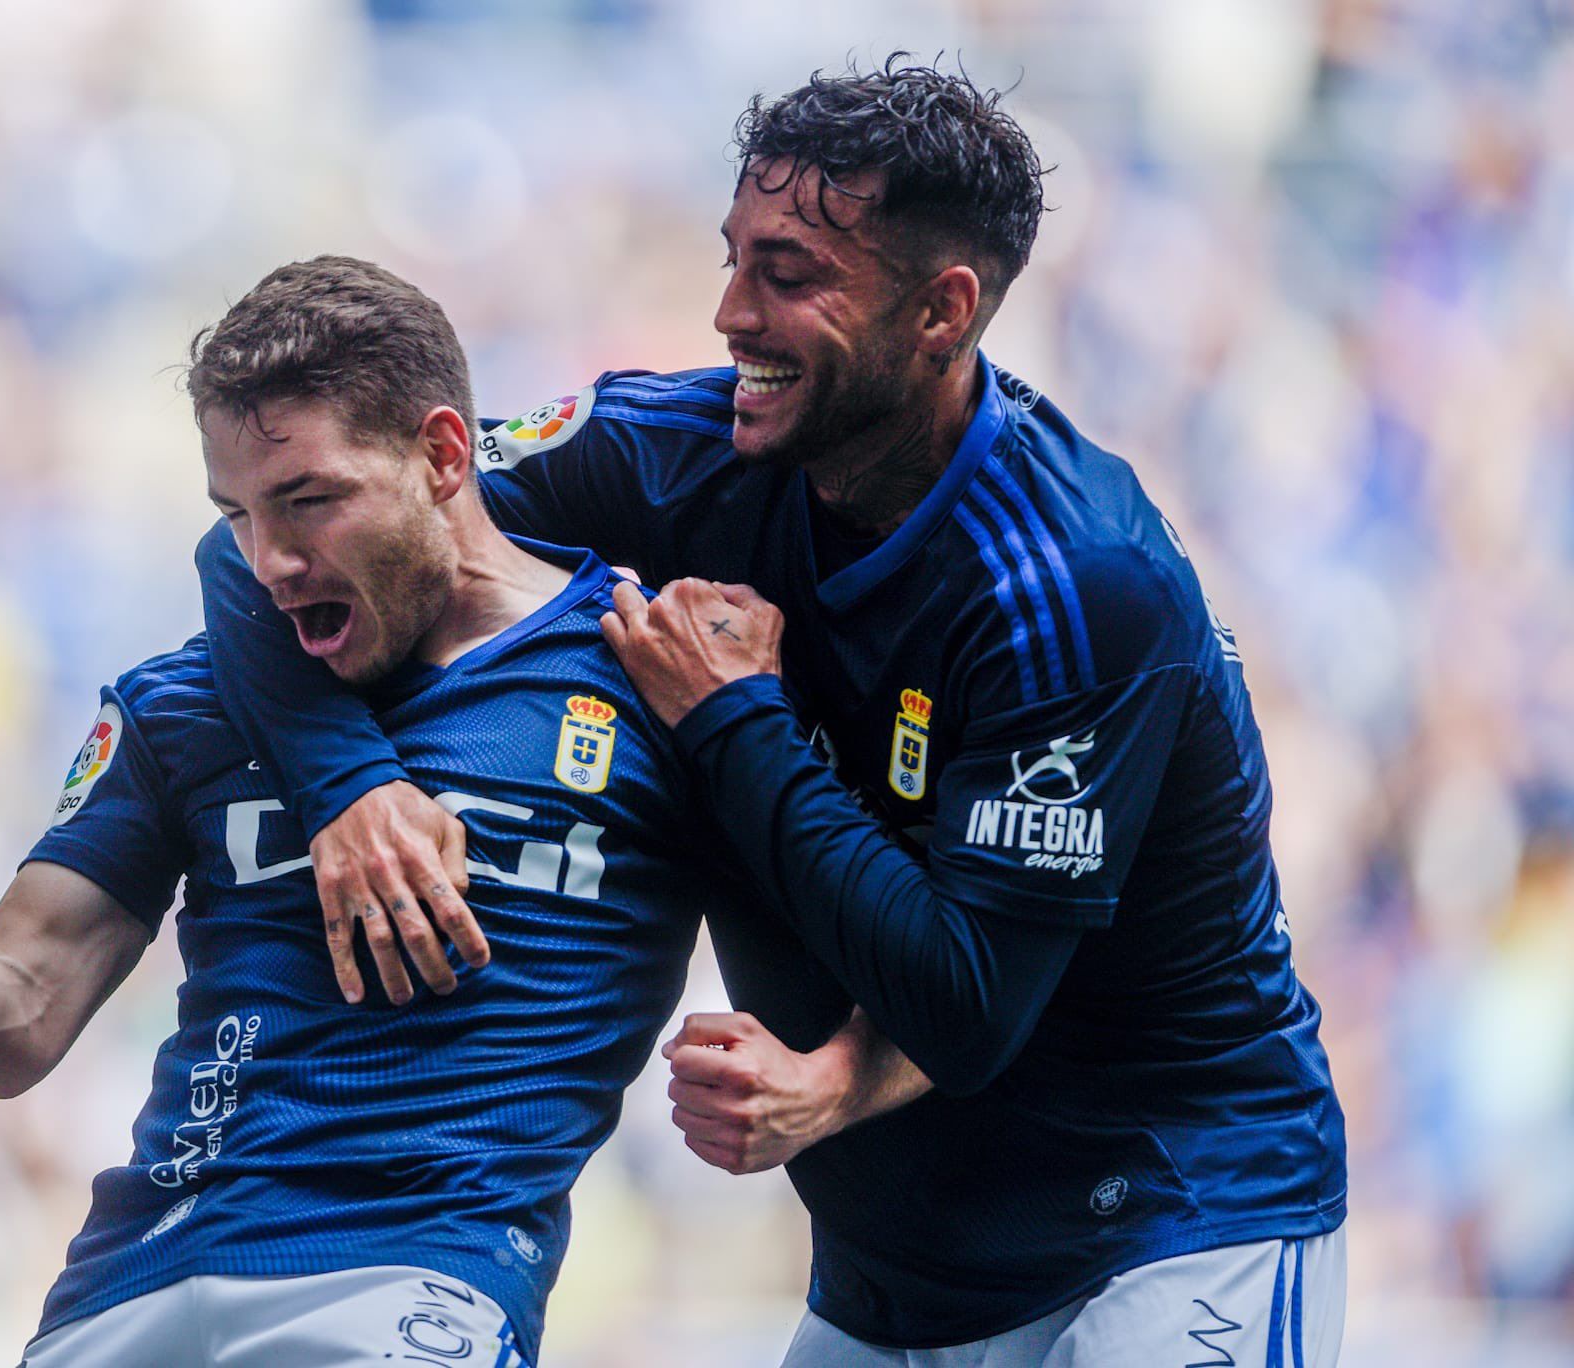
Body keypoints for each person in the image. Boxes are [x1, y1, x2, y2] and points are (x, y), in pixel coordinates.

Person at [198, 59, 1350, 1366]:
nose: (729, 309)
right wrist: (345, 777)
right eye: (733, 255)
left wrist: (734, 716)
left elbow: (966, 1006)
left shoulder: (1078, 584)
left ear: (941, 309)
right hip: (893, 1269)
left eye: (789, 274)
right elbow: (291, 522)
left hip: (1171, 1224)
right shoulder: (673, 451)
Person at [0, 256, 921, 1367]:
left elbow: (946, 950)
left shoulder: (663, 673)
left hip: (405, 1282)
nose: (268, 560)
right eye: (237, 516)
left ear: (440, 456)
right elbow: (11, 1018)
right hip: (127, 1283)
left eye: (309, 500)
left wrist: (832, 1081)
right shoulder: (186, 697)